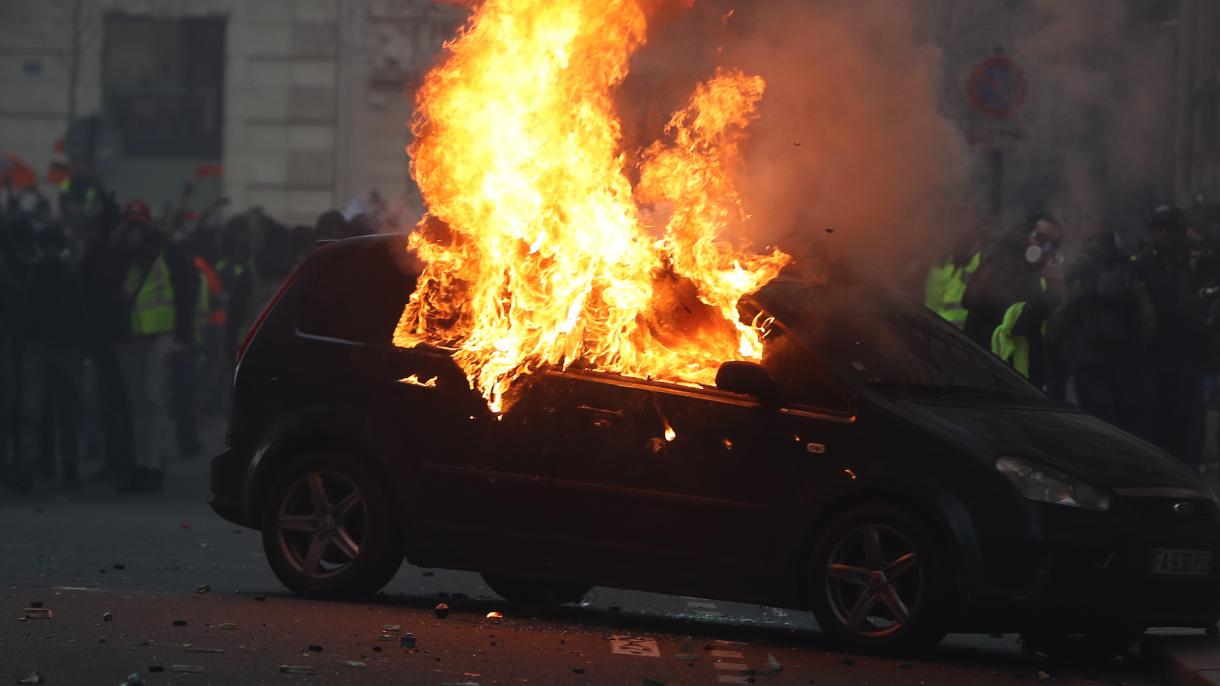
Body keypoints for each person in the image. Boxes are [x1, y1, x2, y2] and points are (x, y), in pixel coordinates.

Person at [113, 201, 198, 492]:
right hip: (130, 336)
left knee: (153, 399)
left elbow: (186, 293)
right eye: (131, 224)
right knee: (138, 403)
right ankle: (141, 464)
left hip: (161, 334)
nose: (135, 230)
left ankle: (154, 465)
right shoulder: (120, 254)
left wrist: (182, 336)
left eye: (139, 224)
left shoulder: (167, 252)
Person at [1052, 231, 1154, 433]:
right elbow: (1148, 317)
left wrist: (1059, 342)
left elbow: (1062, 313)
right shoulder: (1129, 271)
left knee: (1096, 424)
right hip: (1125, 360)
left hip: (1088, 362)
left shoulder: (1080, 273)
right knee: (1127, 423)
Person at [1133, 205, 1206, 466]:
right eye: (1160, 230)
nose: (1166, 236)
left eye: (1171, 230)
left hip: (1186, 351)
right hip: (1156, 352)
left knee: (1187, 418)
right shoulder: (1142, 265)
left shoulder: (1190, 262)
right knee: (1157, 418)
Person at [962, 213, 1063, 387]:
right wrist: (1053, 292)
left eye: (1053, 244)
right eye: (1041, 238)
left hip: (1000, 373)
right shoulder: (1007, 263)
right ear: (1025, 234)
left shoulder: (1023, 265)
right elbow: (1018, 321)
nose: (1046, 248)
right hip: (996, 376)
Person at [23, 224, 85, 487]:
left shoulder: (35, 272)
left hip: (43, 346)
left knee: (35, 411)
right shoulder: (69, 272)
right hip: (62, 347)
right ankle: (66, 467)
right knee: (62, 412)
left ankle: (31, 465)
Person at [924, 221, 983, 328]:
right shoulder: (944, 265)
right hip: (945, 328)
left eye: (967, 239)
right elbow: (932, 302)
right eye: (960, 239)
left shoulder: (980, 262)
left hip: (962, 332)